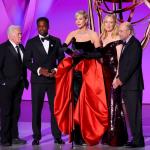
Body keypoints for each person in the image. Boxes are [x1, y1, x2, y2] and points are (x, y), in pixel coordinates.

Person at [54, 10, 108, 146]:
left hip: (89, 72)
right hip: (76, 72)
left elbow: (99, 53)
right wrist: (71, 52)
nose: (77, 21)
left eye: (80, 19)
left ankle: (87, 133)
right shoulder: (73, 34)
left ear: (86, 20)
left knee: (88, 102)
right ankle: (77, 136)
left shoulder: (93, 34)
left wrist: (85, 54)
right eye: (76, 19)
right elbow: (62, 49)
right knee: (76, 101)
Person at [24, 17, 64, 145]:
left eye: (44, 26)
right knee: (36, 109)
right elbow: (26, 61)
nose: (42, 28)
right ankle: (36, 136)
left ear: (48, 26)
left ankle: (57, 136)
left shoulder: (56, 41)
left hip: (53, 81)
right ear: (37, 27)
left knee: (55, 109)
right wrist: (40, 70)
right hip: (38, 81)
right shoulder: (31, 43)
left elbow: (61, 59)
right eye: (39, 26)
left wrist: (56, 70)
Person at [113, 22, 145, 148]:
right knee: (131, 114)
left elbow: (131, 65)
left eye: (121, 31)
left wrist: (120, 80)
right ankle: (136, 139)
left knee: (134, 114)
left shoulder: (135, 44)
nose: (119, 33)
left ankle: (138, 141)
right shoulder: (127, 44)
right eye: (119, 30)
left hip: (133, 86)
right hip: (128, 86)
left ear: (129, 31)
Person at [100, 14, 128, 146]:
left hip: (113, 75)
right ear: (104, 23)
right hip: (103, 75)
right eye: (106, 22)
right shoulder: (102, 37)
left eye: (111, 22)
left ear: (115, 23)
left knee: (114, 104)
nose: (109, 25)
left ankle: (116, 137)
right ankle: (107, 135)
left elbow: (120, 60)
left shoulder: (117, 38)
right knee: (106, 105)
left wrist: (117, 77)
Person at [0, 25, 29, 146]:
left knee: (16, 111)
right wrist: (3, 81)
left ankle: (14, 136)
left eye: (21, 34)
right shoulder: (3, 48)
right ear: (11, 35)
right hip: (6, 86)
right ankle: (5, 139)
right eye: (18, 34)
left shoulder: (21, 47)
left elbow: (23, 65)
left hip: (19, 85)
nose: (21, 36)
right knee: (6, 112)